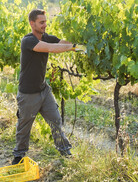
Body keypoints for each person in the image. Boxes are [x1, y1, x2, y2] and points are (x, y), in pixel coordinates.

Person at [12, 9, 85, 165]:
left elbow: (61, 43)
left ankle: (65, 153)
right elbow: (51, 48)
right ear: (32, 24)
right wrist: (71, 46)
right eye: (41, 22)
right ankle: (19, 156)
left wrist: (78, 47)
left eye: (45, 21)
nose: (45, 25)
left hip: (43, 90)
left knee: (56, 121)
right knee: (24, 127)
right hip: (28, 94)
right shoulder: (28, 41)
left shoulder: (46, 37)